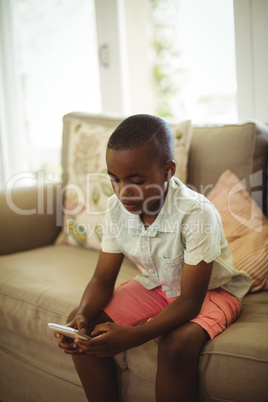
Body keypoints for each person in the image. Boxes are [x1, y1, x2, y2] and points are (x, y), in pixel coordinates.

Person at [57, 114, 251, 402]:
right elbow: (102, 278)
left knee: (176, 344)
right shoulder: (116, 208)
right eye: (114, 179)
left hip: (211, 291)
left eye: (136, 180)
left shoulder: (196, 213)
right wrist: (83, 314)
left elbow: (189, 300)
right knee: (81, 325)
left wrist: (134, 335)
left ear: (167, 170)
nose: (124, 192)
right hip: (158, 283)